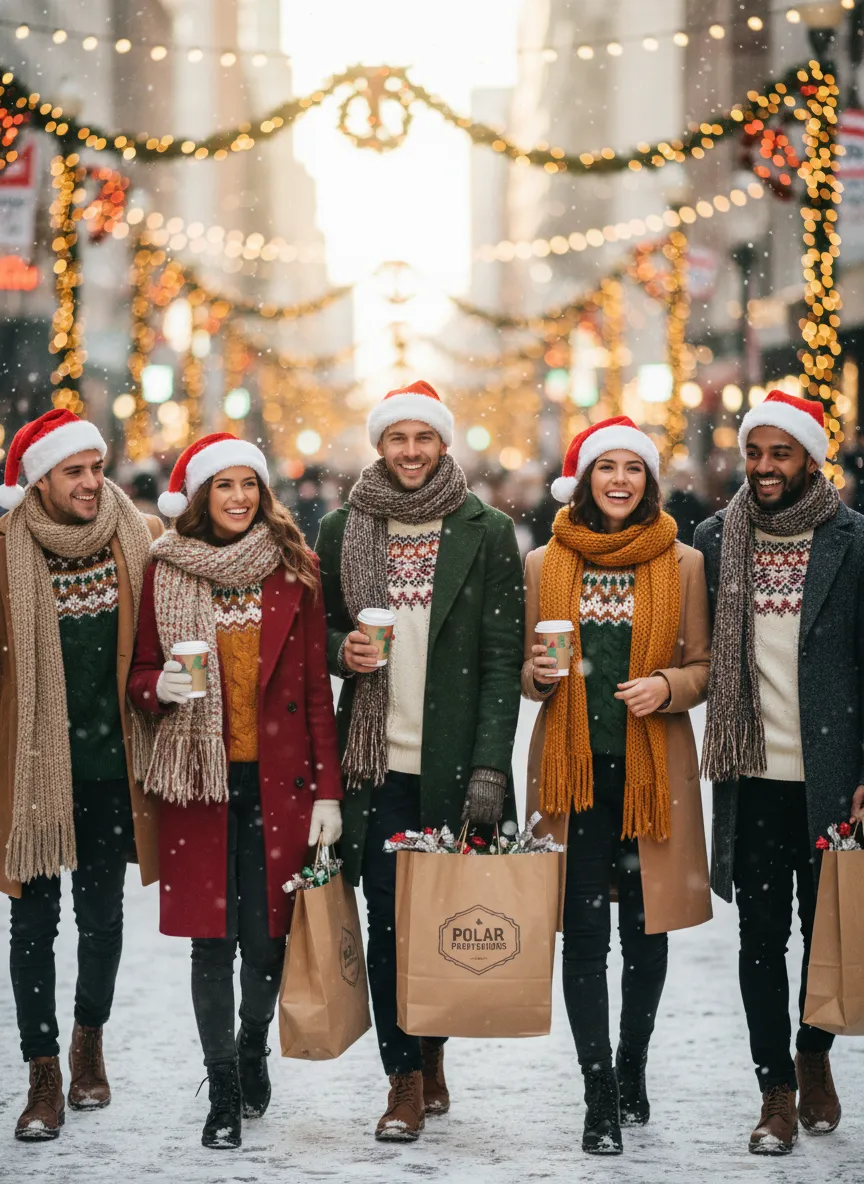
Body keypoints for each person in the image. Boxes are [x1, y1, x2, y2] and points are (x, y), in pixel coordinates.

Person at [315, 380, 524, 1142]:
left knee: (441, 920)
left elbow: (501, 660)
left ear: (443, 444)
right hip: (372, 767)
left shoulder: (486, 530)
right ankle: (402, 1078)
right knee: (387, 922)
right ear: (379, 445)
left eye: (423, 438)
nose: (411, 451)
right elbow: (317, 633)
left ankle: (431, 1047)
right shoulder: (341, 528)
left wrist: (489, 767)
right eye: (397, 438)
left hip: (456, 764)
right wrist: (341, 651)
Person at [128, 432, 342, 1150]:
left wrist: (328, 793)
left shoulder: (295, 568)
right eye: (225, 485)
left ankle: (253, 1041)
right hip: (199, 783)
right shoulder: (166, 569)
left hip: (281, 782)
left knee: (269, 941)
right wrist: (161, 687)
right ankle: (222, 1087)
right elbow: (141, 674)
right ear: (200, 496)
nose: (240, 497)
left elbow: (315, 691)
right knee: (211, 943)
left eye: (250, 484)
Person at [523, 416, 712, 1155]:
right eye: (607, 467)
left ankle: (632, 1064)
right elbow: (528, 670)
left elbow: (703, 667)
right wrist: (538, 677)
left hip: (650, 773)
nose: (621, 480)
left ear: (650, 481)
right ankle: (597, 1090)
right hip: (572, 777)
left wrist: (666, 685)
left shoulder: (684, 562)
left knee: (645, 930)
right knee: (582, 936)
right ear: (583, 481)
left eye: (634, 468)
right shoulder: (543, 563)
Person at [694, 389, 864, 1156]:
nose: (763, 467)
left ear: (810, 461)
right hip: (751, 775)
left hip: (833, 776)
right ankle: (776, 1093)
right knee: (759, 939)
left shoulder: (854, 541)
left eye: (780, 454)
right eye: (755, 452)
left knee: (826, 931)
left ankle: (812, 1050)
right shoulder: (714, 540)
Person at [0, 409, 162, 1141]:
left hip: (108, 768)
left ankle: (88, 1042)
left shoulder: (137, 538)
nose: (93, 482)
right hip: (33, 771)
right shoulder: (6, 550)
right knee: (33, 924)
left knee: (101, 919)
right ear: (41, 480)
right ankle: (42, 1073)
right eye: (75, 471)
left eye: (97, 467)